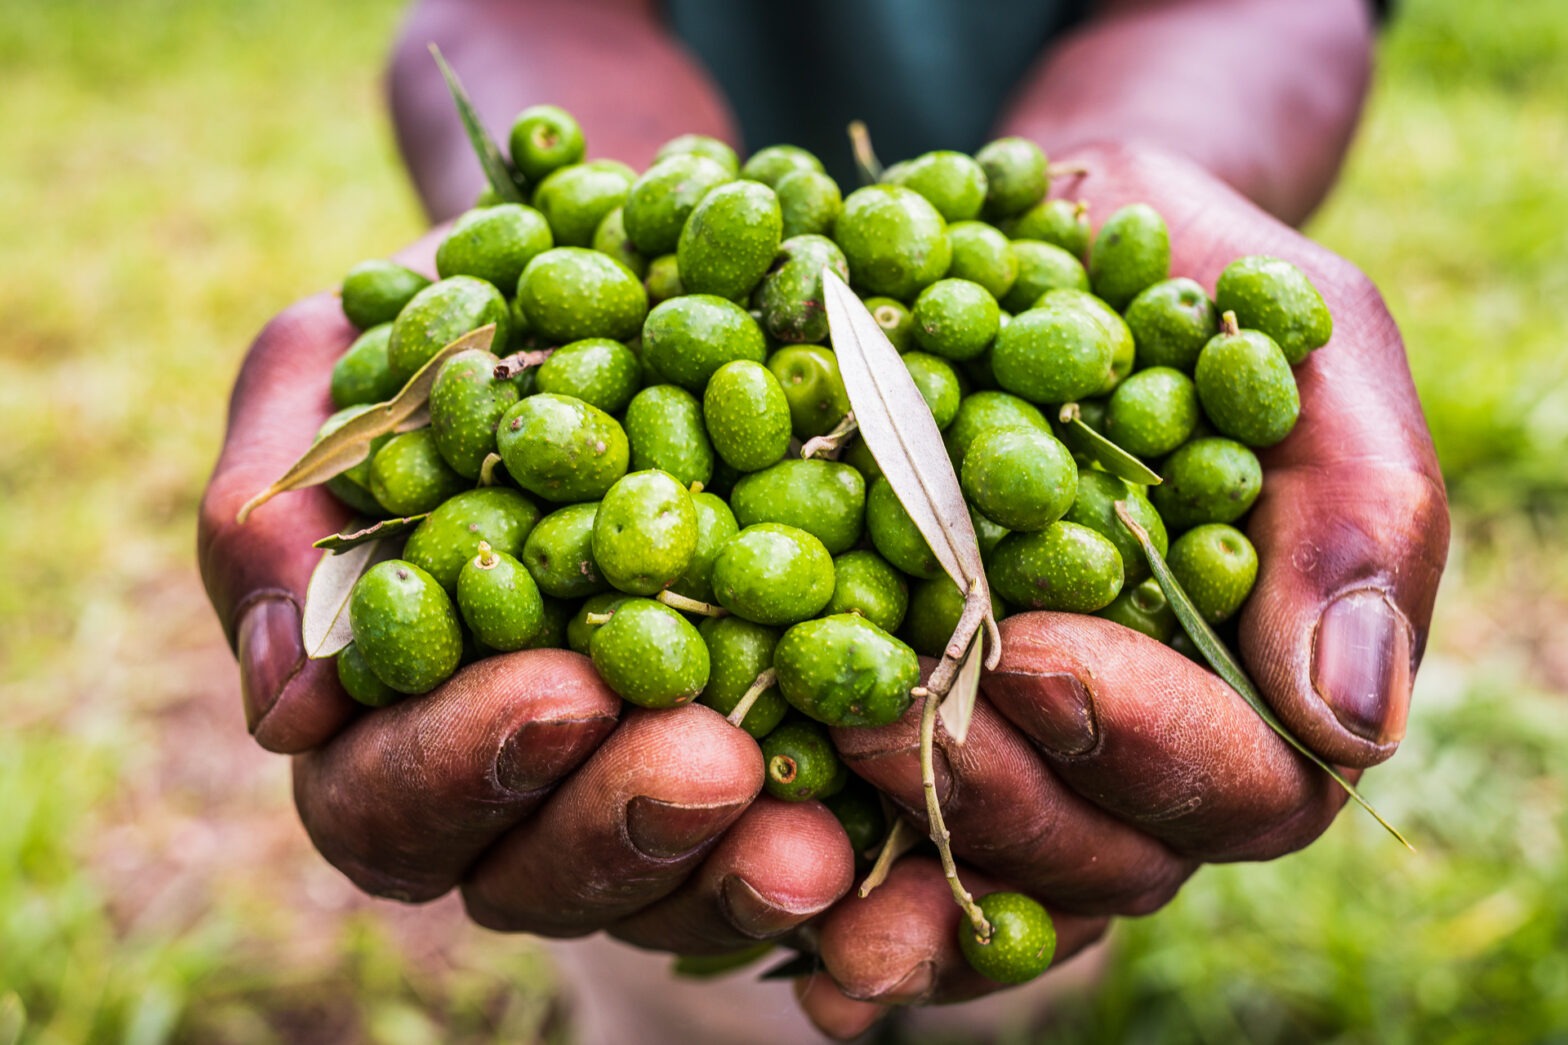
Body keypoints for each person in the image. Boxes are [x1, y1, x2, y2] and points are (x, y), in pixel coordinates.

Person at [197, 0, 1449, 1039]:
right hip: (709, 708)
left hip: (1031, 205)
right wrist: (567, 196)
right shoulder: (608, 412)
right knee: (695, 887)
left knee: (1009, 897)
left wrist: (1134, 163)